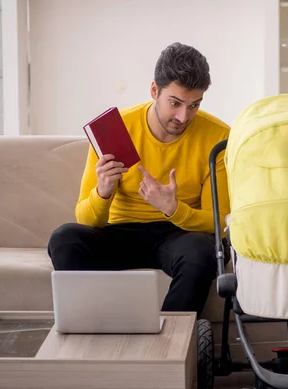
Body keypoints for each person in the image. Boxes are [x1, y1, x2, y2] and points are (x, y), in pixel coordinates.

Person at [47, 42, 231, 317]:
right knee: (64, 239)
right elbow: (86, 220)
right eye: (175, 103)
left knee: (203, 251)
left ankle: (170, 343)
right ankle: (96, 329)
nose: (184, 116)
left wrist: (172, 208)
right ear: (155, 90)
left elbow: (220, 221)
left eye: (194, 105)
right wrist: (103, 191)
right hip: (120, 233)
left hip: (178, 235)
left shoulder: (218, 137)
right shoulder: (116, 128)